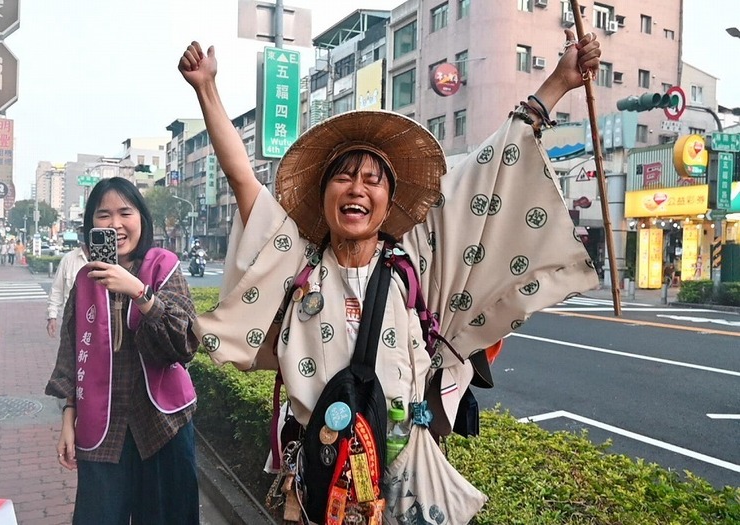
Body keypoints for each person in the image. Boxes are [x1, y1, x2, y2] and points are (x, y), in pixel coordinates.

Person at [180, 30, 600, 524]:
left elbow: (488, 172)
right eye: (343, 176)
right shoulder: (299, 262)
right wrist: (206, 89)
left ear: (389, 201)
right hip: (322, 479)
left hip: (402, 486)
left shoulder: (415, 262)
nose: (357, 188)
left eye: (372, 179)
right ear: (324, 195)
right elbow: (244, 182)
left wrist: (555, 85)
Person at [45, 177, 200, 524]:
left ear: (141, 219)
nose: (115, 224)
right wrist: (68, 420)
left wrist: (139, 292)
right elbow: (73, 354)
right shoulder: (86, 279)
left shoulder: (163, 266)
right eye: (103, 215)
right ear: (90, 226)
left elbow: (183, 343)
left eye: (125, 213)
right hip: (103, 427)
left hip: (163, 424)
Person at [47, 228, 88, 338]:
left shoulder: (107, 259)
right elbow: (57, 290)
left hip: (100, 323)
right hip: (71, 321)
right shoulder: (69, 259)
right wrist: (52, 317)